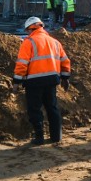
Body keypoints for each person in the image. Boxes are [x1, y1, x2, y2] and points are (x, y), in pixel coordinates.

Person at [13, 17, 71, 145]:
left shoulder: (28, 42)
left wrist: (16, 81)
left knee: (35, 109)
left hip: (34, 82)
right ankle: (56, 137)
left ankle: (39, 138)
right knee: (52, 107)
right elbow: (65, 61)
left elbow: (22, 64)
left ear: (30, 29)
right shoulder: (55, 42)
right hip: (51, 80)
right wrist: (65, 78)